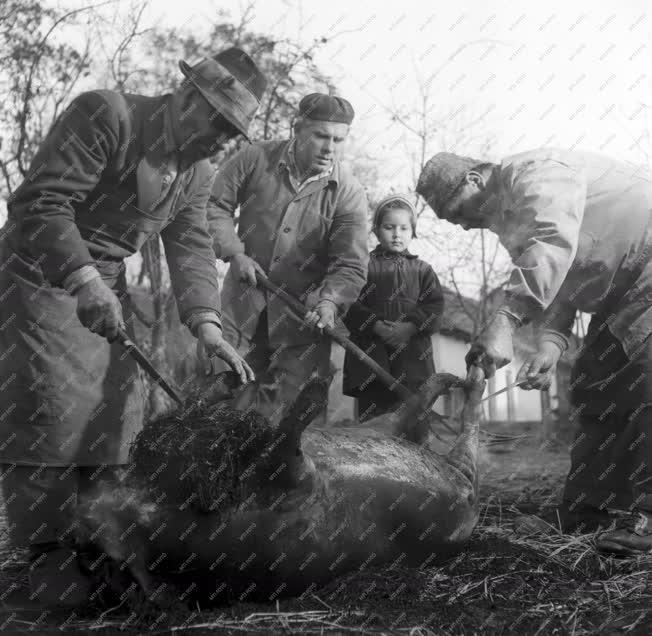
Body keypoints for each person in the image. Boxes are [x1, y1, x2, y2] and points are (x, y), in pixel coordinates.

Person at [0, 47, 266, 607]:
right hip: (39, 278)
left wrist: (207, 325)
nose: (221, 139)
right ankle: (45, 555)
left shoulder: (197, 171)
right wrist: (82, 280)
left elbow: (191, 244)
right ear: (189, 96)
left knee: (116, 412)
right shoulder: (107, 115)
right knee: (49, 414)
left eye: (232, 131)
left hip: (104, 285)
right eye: (217, 121)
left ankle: (100, 544)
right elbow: (42, 203)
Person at [417, 148, 652, 554]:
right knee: (593, 385)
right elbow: (557, 287)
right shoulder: (510, 225)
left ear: (473, 179)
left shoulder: (534, 174)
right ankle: (587, 510)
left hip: (646, 265)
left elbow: (553, 243)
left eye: (457, 213)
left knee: (644, 380)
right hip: (619, 291)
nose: (464, 226)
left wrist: (505, 320)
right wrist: (549, 347)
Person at [207, 93, 369, 426]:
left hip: (300, 328)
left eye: (339, 140)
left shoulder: (348, 192)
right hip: (240, 312)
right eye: (321, 136)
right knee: (217, 410)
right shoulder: (255, 158)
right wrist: (234, 253)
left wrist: (329, 303)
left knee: (276, 425)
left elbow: (350, 264)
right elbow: (213, 205)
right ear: (297, 129)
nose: (330, 148)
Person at [342, 195, 444, 421]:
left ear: (413, 232)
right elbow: (349, 304)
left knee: (412, 427)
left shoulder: (423, 270)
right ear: (376, 231)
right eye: (389, 227)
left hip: (412, 362)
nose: (397, 234)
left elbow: (435, 309)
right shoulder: (362, 266)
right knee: (373, 427)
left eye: (404, 228)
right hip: (372, 361)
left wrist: (409, 328)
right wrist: (376, 326)